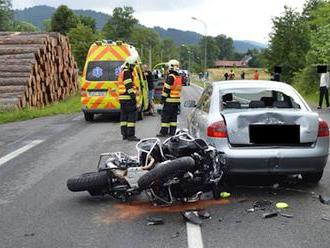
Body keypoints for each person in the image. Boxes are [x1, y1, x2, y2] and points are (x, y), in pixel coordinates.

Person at [157, 59, 182, 137]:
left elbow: (166, 90)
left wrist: (162, 100)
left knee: (165, 117)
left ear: (171, 67)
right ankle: (172, 133)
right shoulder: (178, 77)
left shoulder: (171, 77)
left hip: (169, 101)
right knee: (173, 118)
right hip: (176, 101)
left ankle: (163, 132)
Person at [118, 55, 140, 141]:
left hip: (123, 98)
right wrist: (133, 97)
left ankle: (124, 134)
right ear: (129, 64)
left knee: (124, 117)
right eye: (133, 65)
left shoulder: (123, 72)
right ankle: (130, 135)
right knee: (131, 117)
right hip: (128, 98)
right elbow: (129, 86)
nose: (133, 67)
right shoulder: (127, 73)